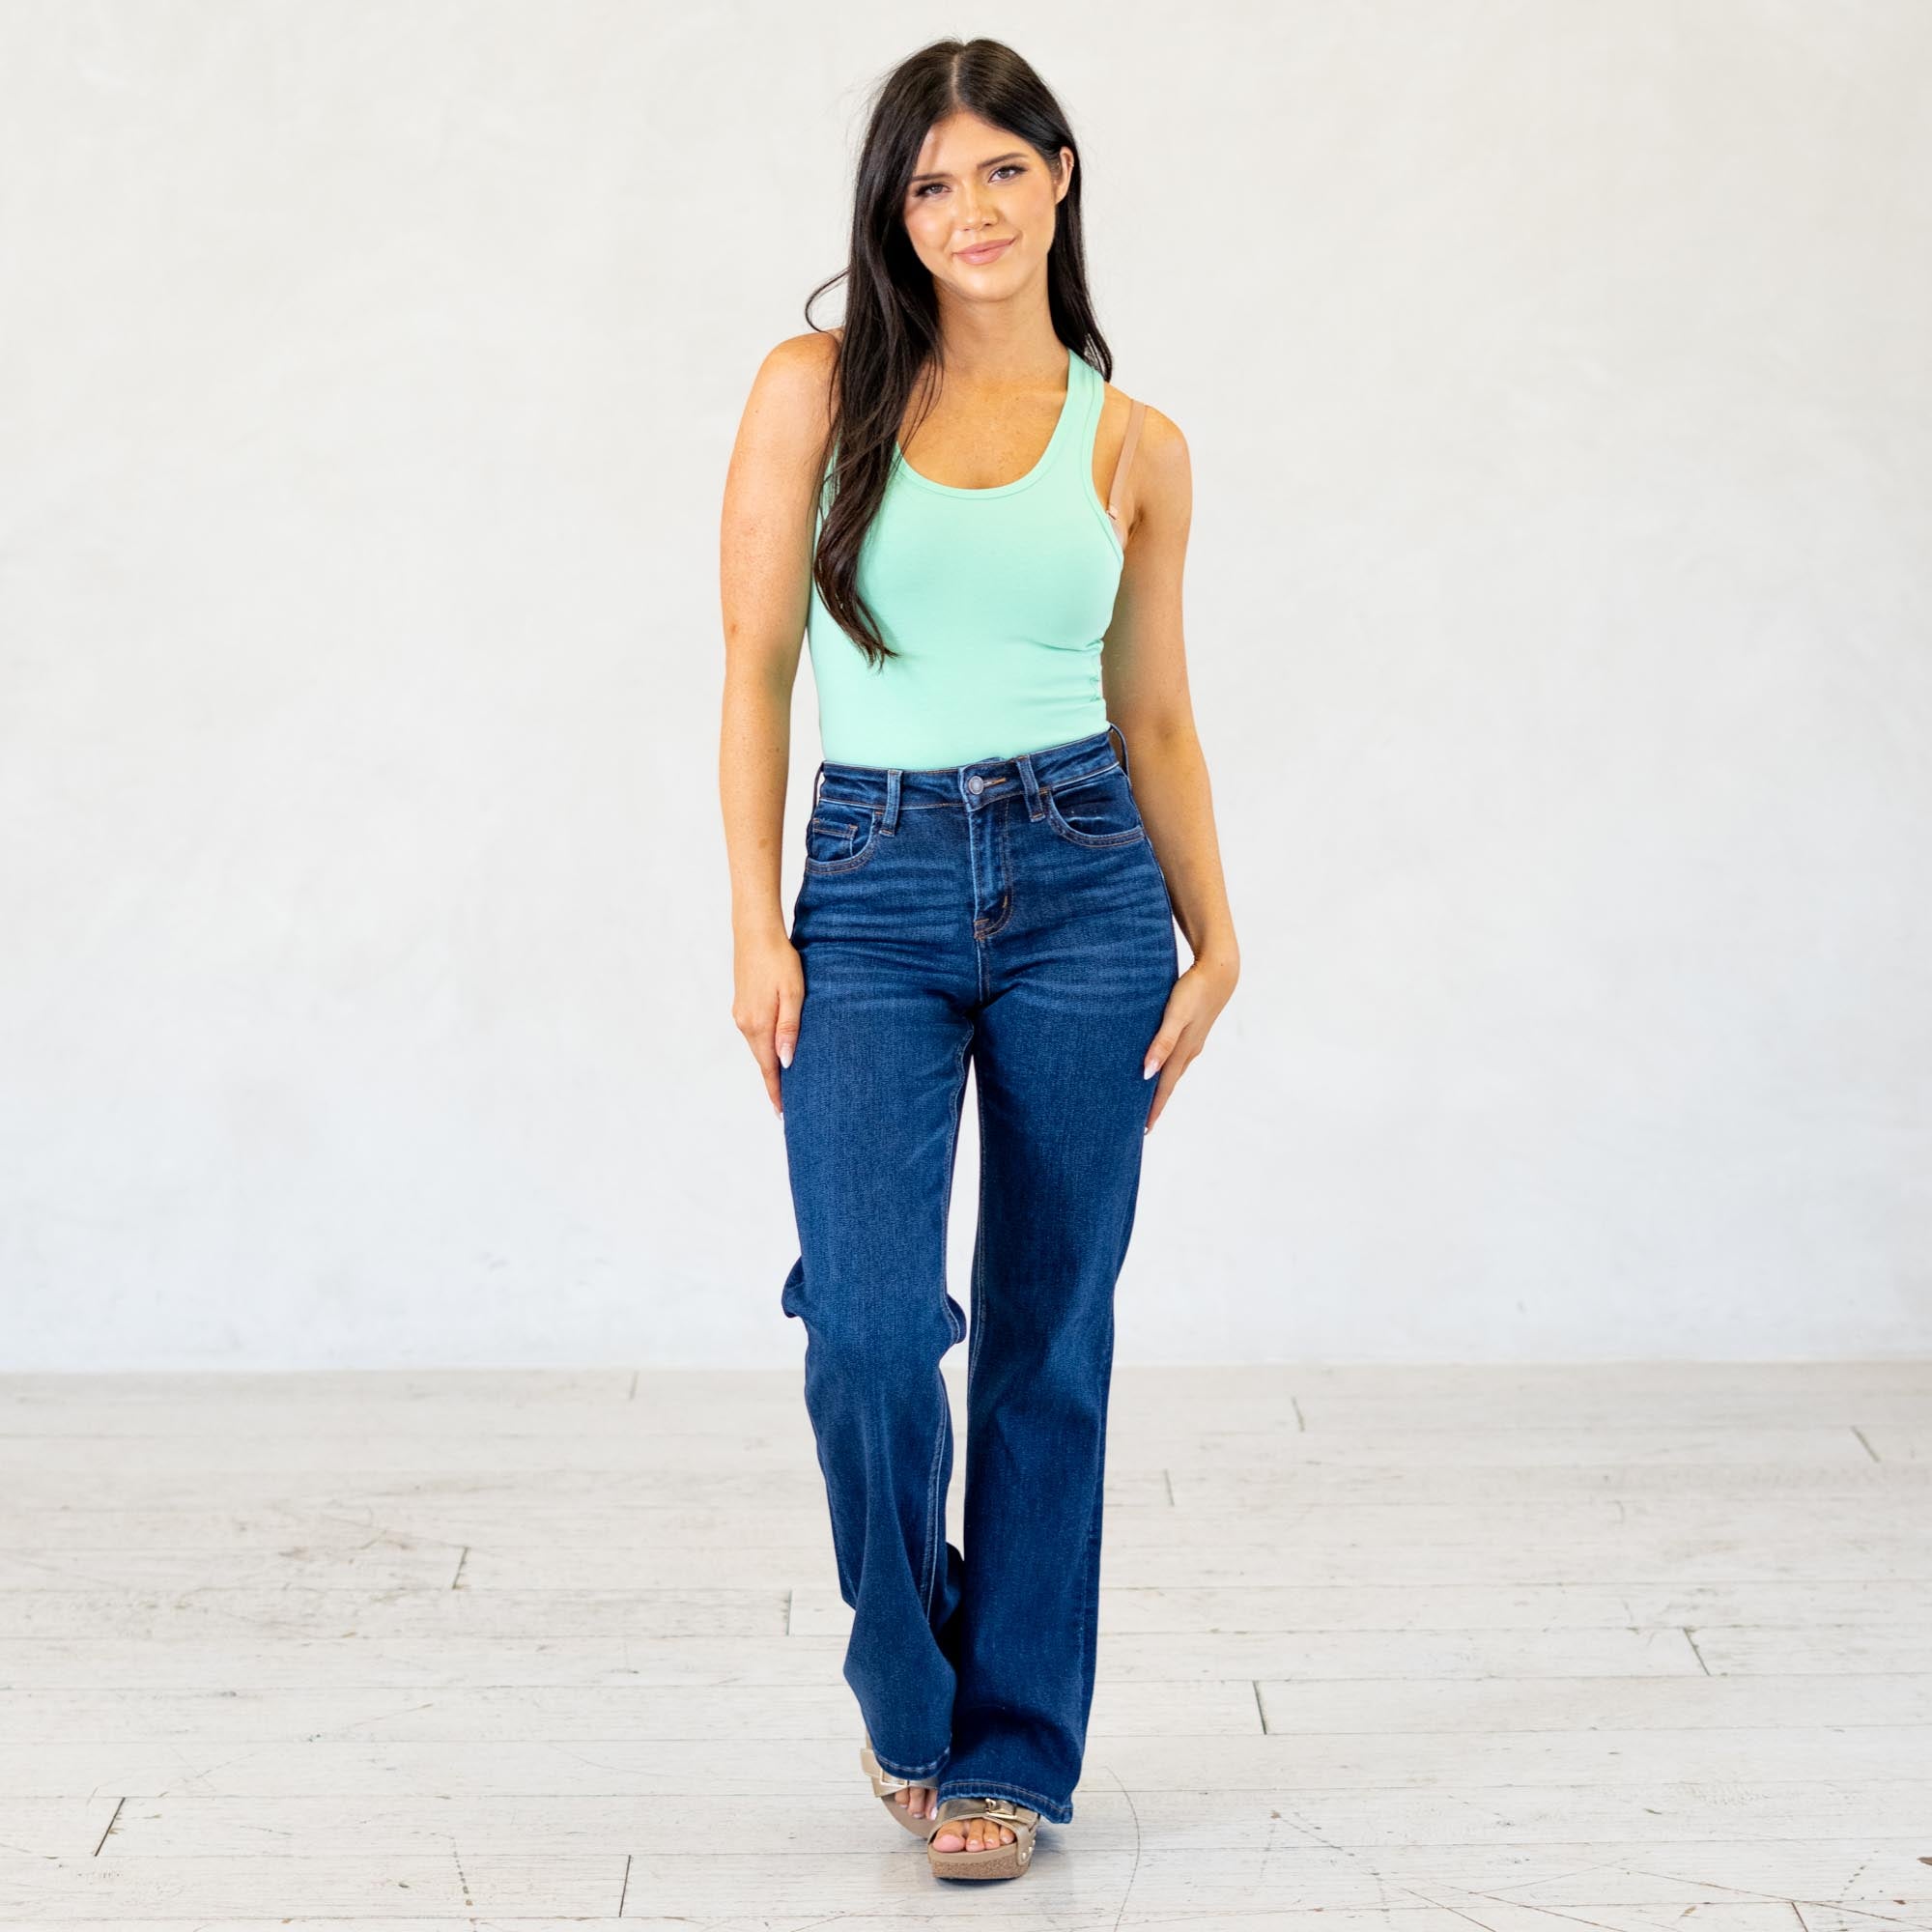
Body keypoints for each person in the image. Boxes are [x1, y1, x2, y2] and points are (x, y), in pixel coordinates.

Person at [718, 37, 1239, 1883]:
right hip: (868, 887)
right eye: (931, 184)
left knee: (1046, 1339)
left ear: (1060, 177)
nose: (970, 211)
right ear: (896, 211)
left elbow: (1156, 716)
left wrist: (1218, 933)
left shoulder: (1135, 443)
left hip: (1090, 889)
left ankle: (1012, 1752)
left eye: (1001, 170)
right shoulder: (814, 391)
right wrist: (754, 924)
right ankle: (908, 1683)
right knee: (870, 1332)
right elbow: (755, 671)